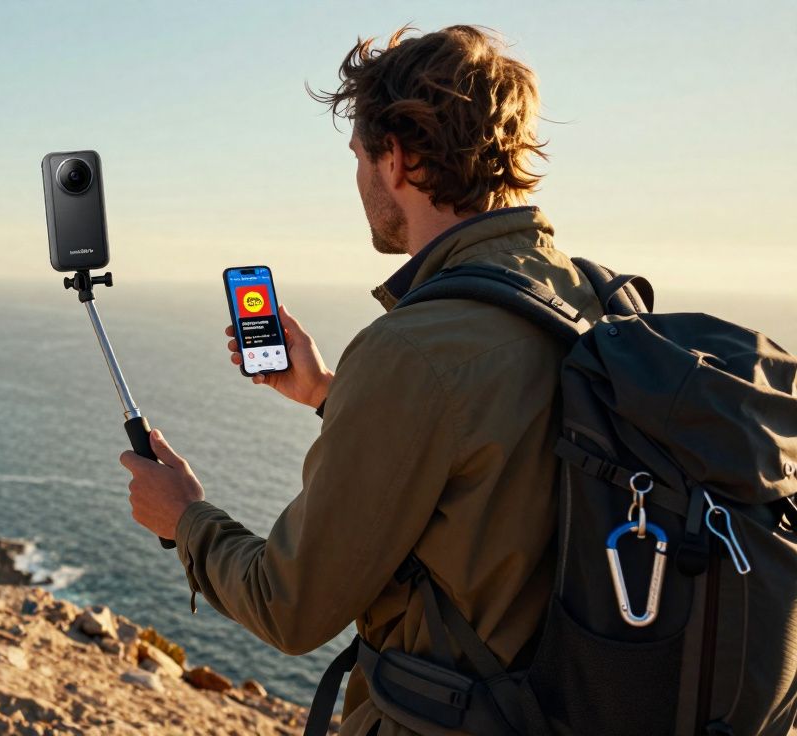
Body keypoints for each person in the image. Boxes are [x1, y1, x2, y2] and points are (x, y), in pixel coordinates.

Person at [118, 25, 606, 736]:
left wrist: (185, 518)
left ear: (398, 159)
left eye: (358, 157)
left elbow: (290, 605)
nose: (356, 181)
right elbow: (491, 449)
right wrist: (325, 391)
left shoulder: (413, 349)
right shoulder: (585, 297)